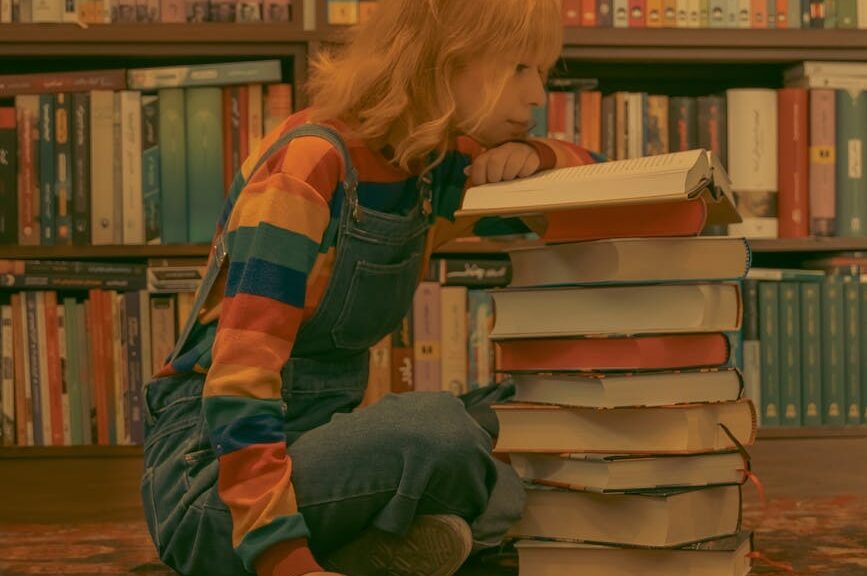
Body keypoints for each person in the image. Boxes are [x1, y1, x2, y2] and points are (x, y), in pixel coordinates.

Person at [140, 1, 601, 576]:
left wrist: (535, 155)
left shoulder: (432, 167)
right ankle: (372, 538)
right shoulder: (309, 163)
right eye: (518, 69)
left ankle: (379, 547)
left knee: (542, 411)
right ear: (441, 61)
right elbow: (238, 384)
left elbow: (602, 195)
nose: (537, 95)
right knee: (439, 431)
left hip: (327, 451)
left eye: (541, 72)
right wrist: (284, 561)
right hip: (214, 488)